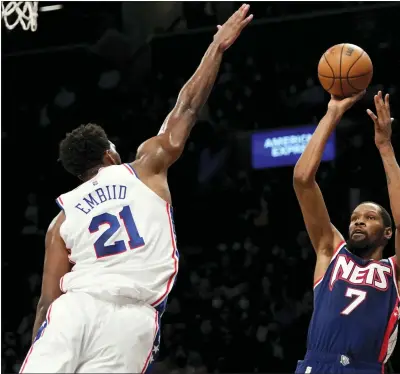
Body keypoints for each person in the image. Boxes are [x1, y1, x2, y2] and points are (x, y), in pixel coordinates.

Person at [19, 4, 253, 373]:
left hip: (75, 308)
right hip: (132, 321)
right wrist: (217, 47)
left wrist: (41, 342)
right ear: (110, 152)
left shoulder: (61, 219)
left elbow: (47, 302)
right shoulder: (144, 168)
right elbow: (188, 106)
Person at [293, 91, 400, 374]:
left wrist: (385, 147)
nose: (358, 222)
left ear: (387, 233)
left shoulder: (398, 273)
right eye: (354, 218)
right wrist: (333, 112)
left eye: (370, 217)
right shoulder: (331, 252)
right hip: (316, 364)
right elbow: (303, 181)